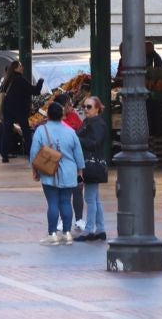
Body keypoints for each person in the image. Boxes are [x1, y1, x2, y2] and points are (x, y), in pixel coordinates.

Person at [28, 100, 82, 245]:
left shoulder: (41, 130)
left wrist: (35, 170)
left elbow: (34, 153)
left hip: (49, 171)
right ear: (62, 115)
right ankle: (67, 233)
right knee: (66, 202)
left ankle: (52, 234)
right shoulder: (71, 132)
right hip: (69, 172)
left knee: (52, 202)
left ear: (48, 115)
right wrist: (80, 170)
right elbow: (79, 155)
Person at [76, 94, 111, 242]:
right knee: (94, 198)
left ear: (97, 108)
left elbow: (95, 142)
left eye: (89, 106)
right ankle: (100, 229)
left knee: (90, 198)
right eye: (84, 106)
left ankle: (89, 230)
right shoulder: (88, 122)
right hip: (92, 163)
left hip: (92, 163)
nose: (85, 109)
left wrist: (77, 139)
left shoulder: (97, 123)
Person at [0, 61, 30, 162]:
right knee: (26, 132)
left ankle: (4, 156)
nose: (22, 67)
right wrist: (40, 82)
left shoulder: (6, 80)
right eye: (20, 66)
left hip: (7, 110)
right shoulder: (20, 80)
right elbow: (34, 90)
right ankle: (30, 154)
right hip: (20, 110)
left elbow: (2, 91)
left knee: (7, 132)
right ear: (15, 68)